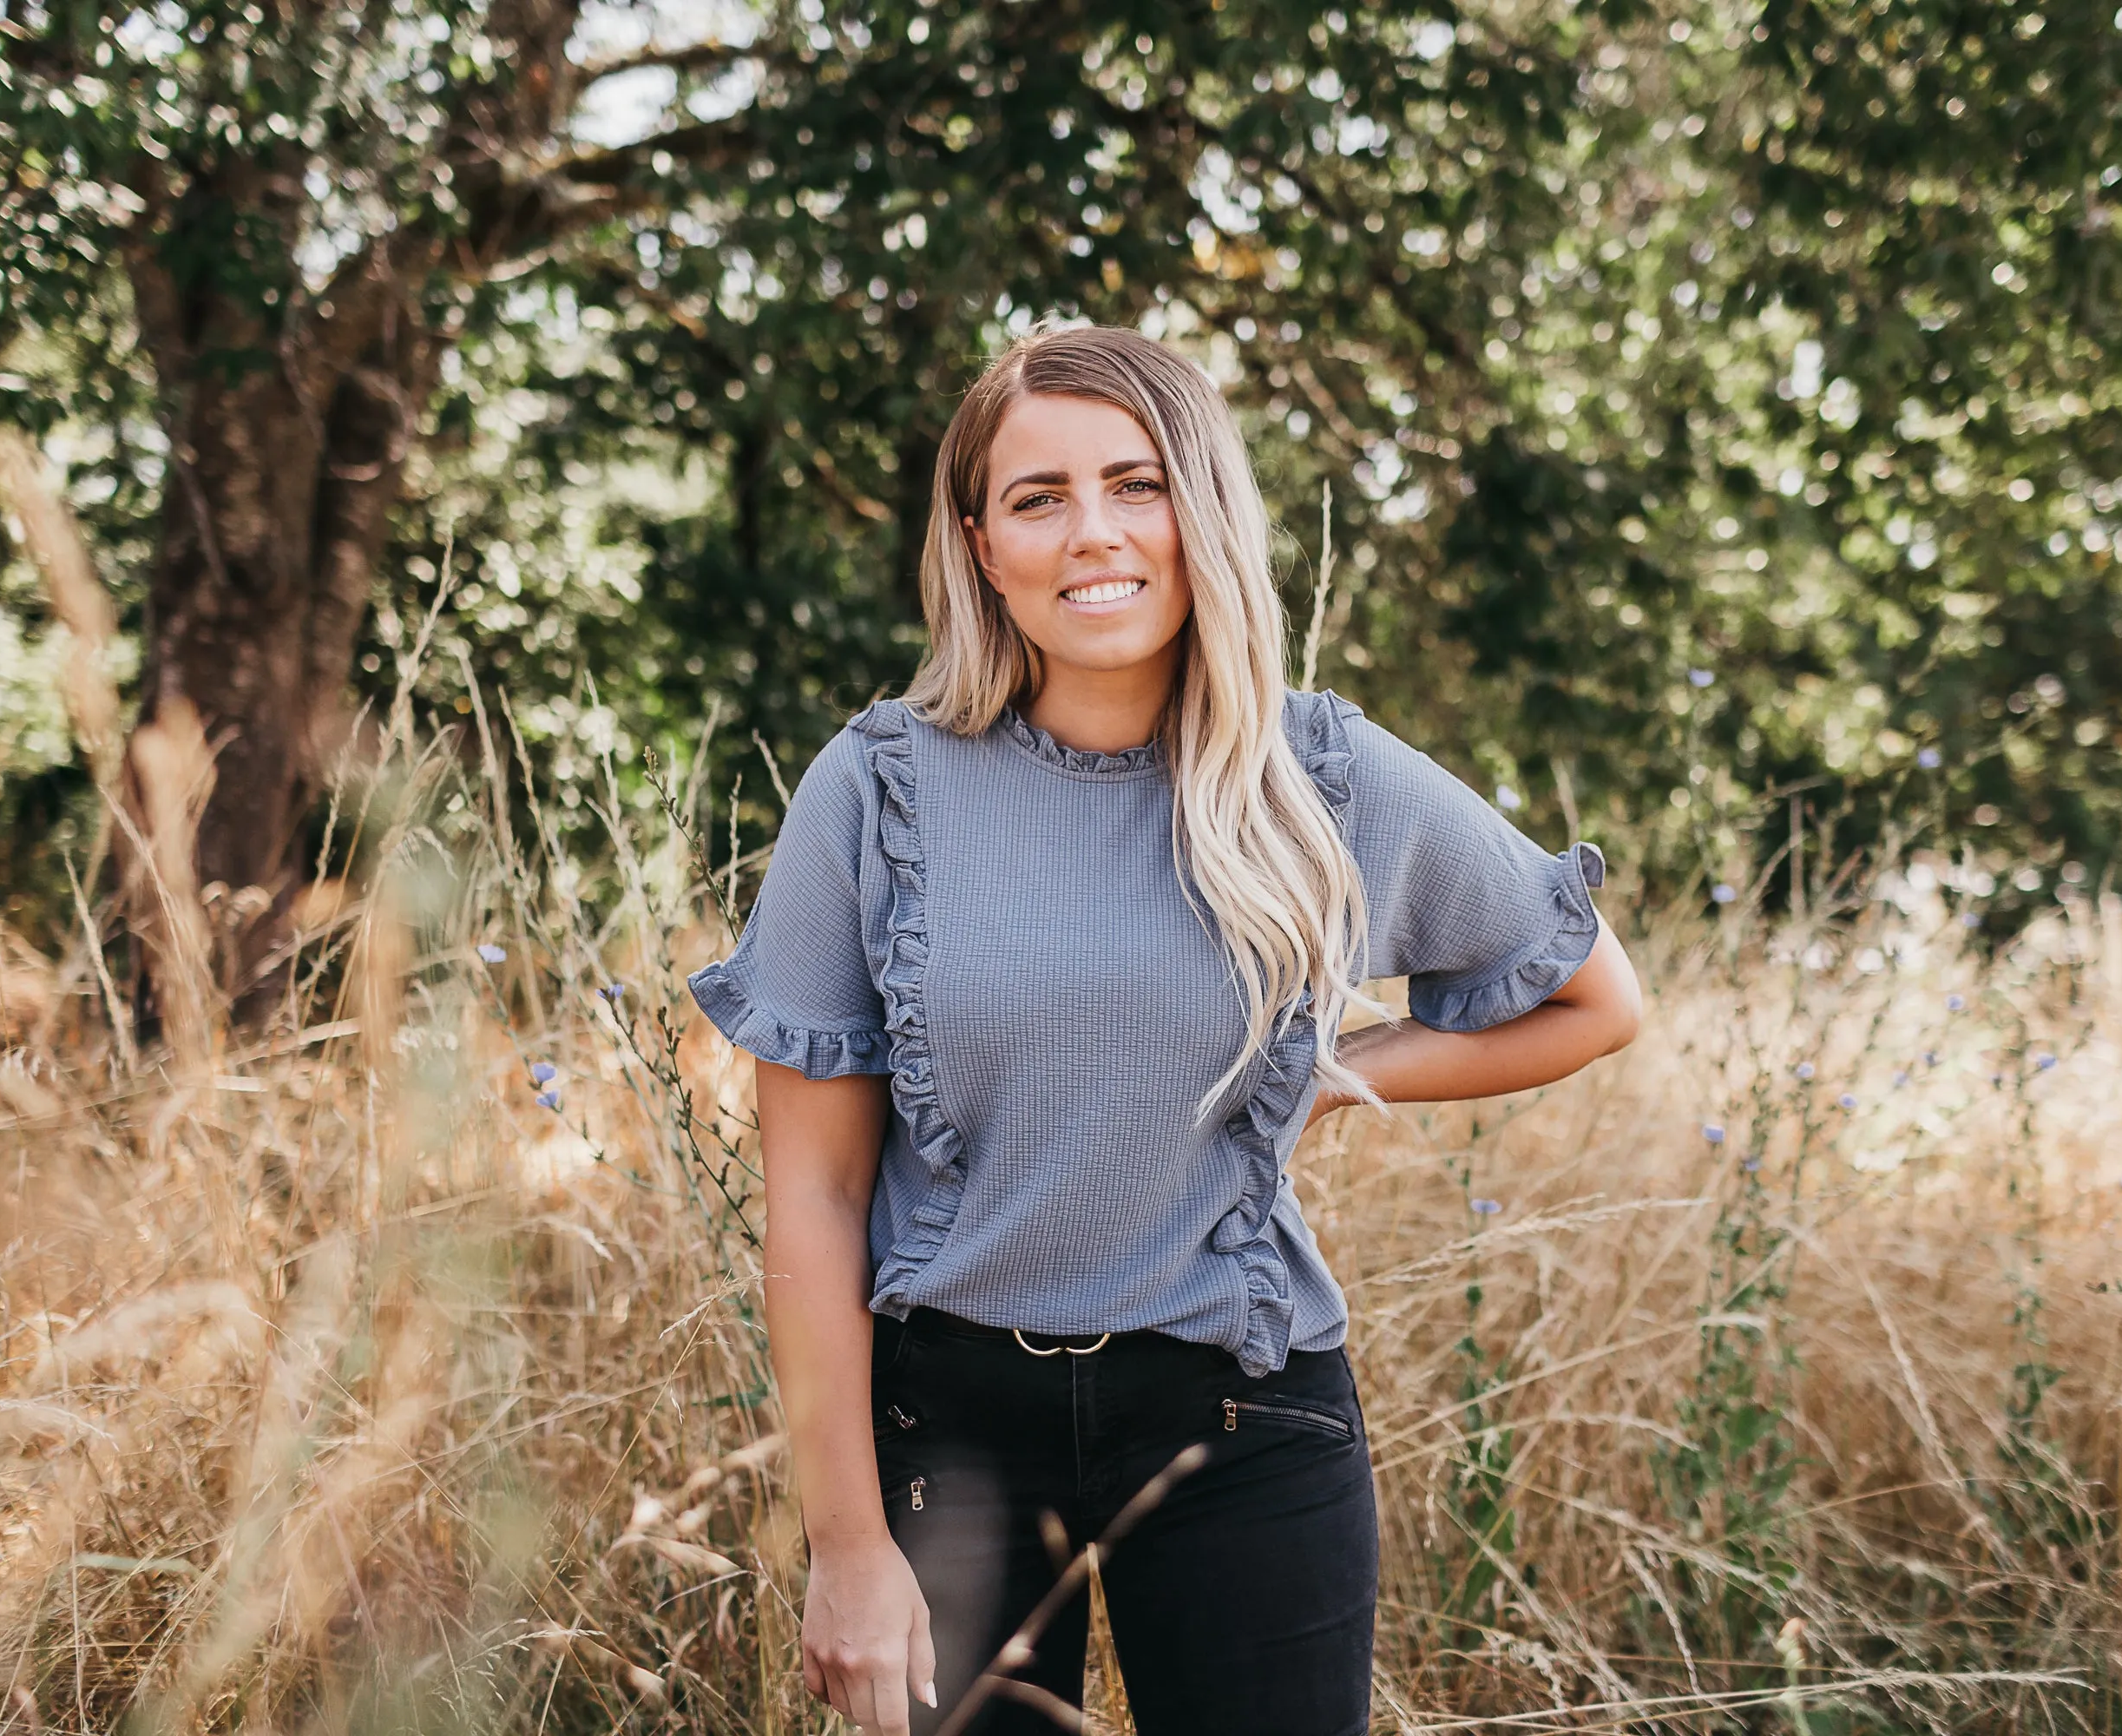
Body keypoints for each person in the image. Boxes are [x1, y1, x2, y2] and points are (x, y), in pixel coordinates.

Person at [687, 324, 1642, 1736]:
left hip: (1246, 1415)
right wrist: (845, 1547)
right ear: (979, 543)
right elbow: (815, 1196)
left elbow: (1594, 1001)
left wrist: (1336, 1076)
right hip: (951, 1433)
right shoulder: (878, 788)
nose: (1094, 536)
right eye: (1039, 497)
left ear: (1201, 511)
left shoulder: (1313, 772)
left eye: (1137, 485)